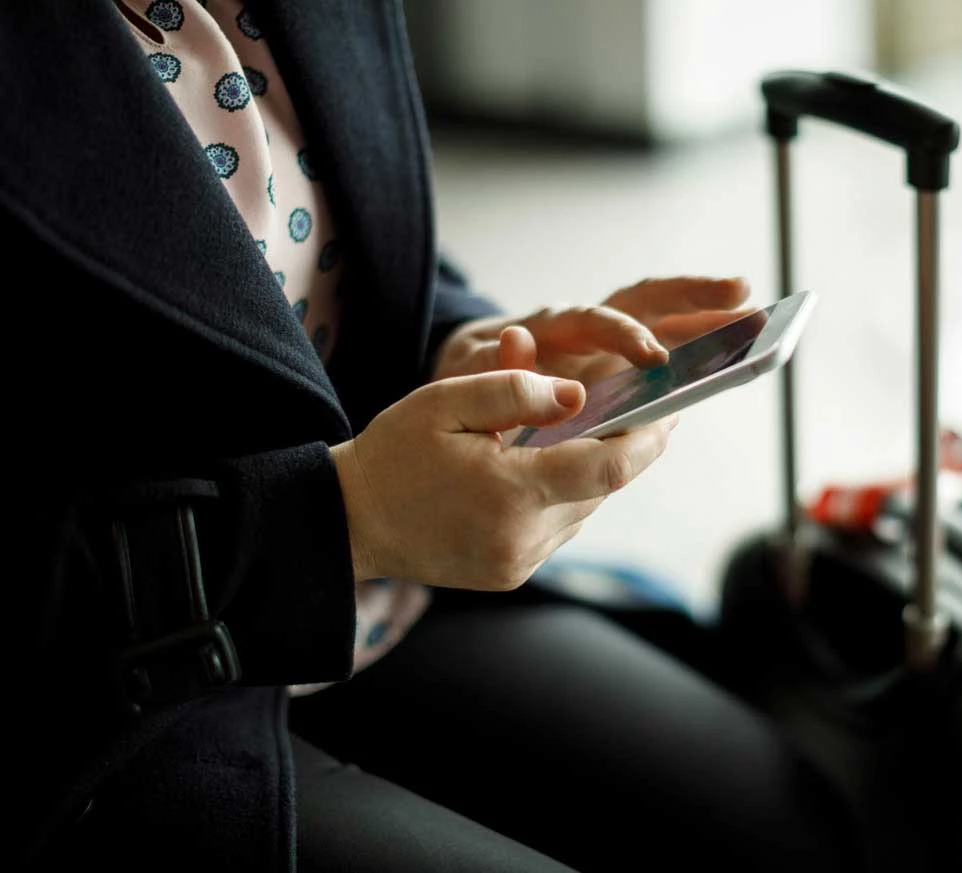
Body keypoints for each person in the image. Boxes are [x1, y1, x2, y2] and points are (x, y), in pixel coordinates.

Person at [6, 1, 864, 870]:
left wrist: (461, 348)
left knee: (782, 827)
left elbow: (310, 242)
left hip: (388, 602)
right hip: (116, 719)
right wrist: (341, 523)